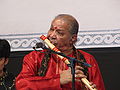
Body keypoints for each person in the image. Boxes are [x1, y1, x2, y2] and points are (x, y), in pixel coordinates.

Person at [15, 14, 105, 90]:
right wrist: (58, 80)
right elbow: (21, 84)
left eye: (59, 33)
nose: (52, 35)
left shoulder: (87, 60)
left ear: (73, 38)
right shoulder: (35, 57)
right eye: (51, 29)